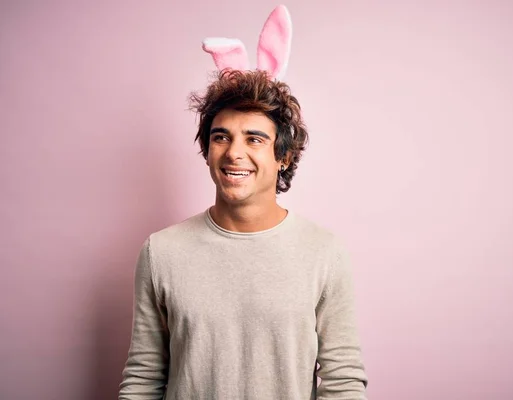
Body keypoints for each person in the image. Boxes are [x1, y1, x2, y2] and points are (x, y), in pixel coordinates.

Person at [119, 5, 367, 399]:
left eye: (254, 138)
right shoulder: (160, 252)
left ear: (283, 155)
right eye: (221, 137)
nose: (234, 153)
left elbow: (343, 382)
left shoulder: (324, 252)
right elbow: (143, 379)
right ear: (206, 149)